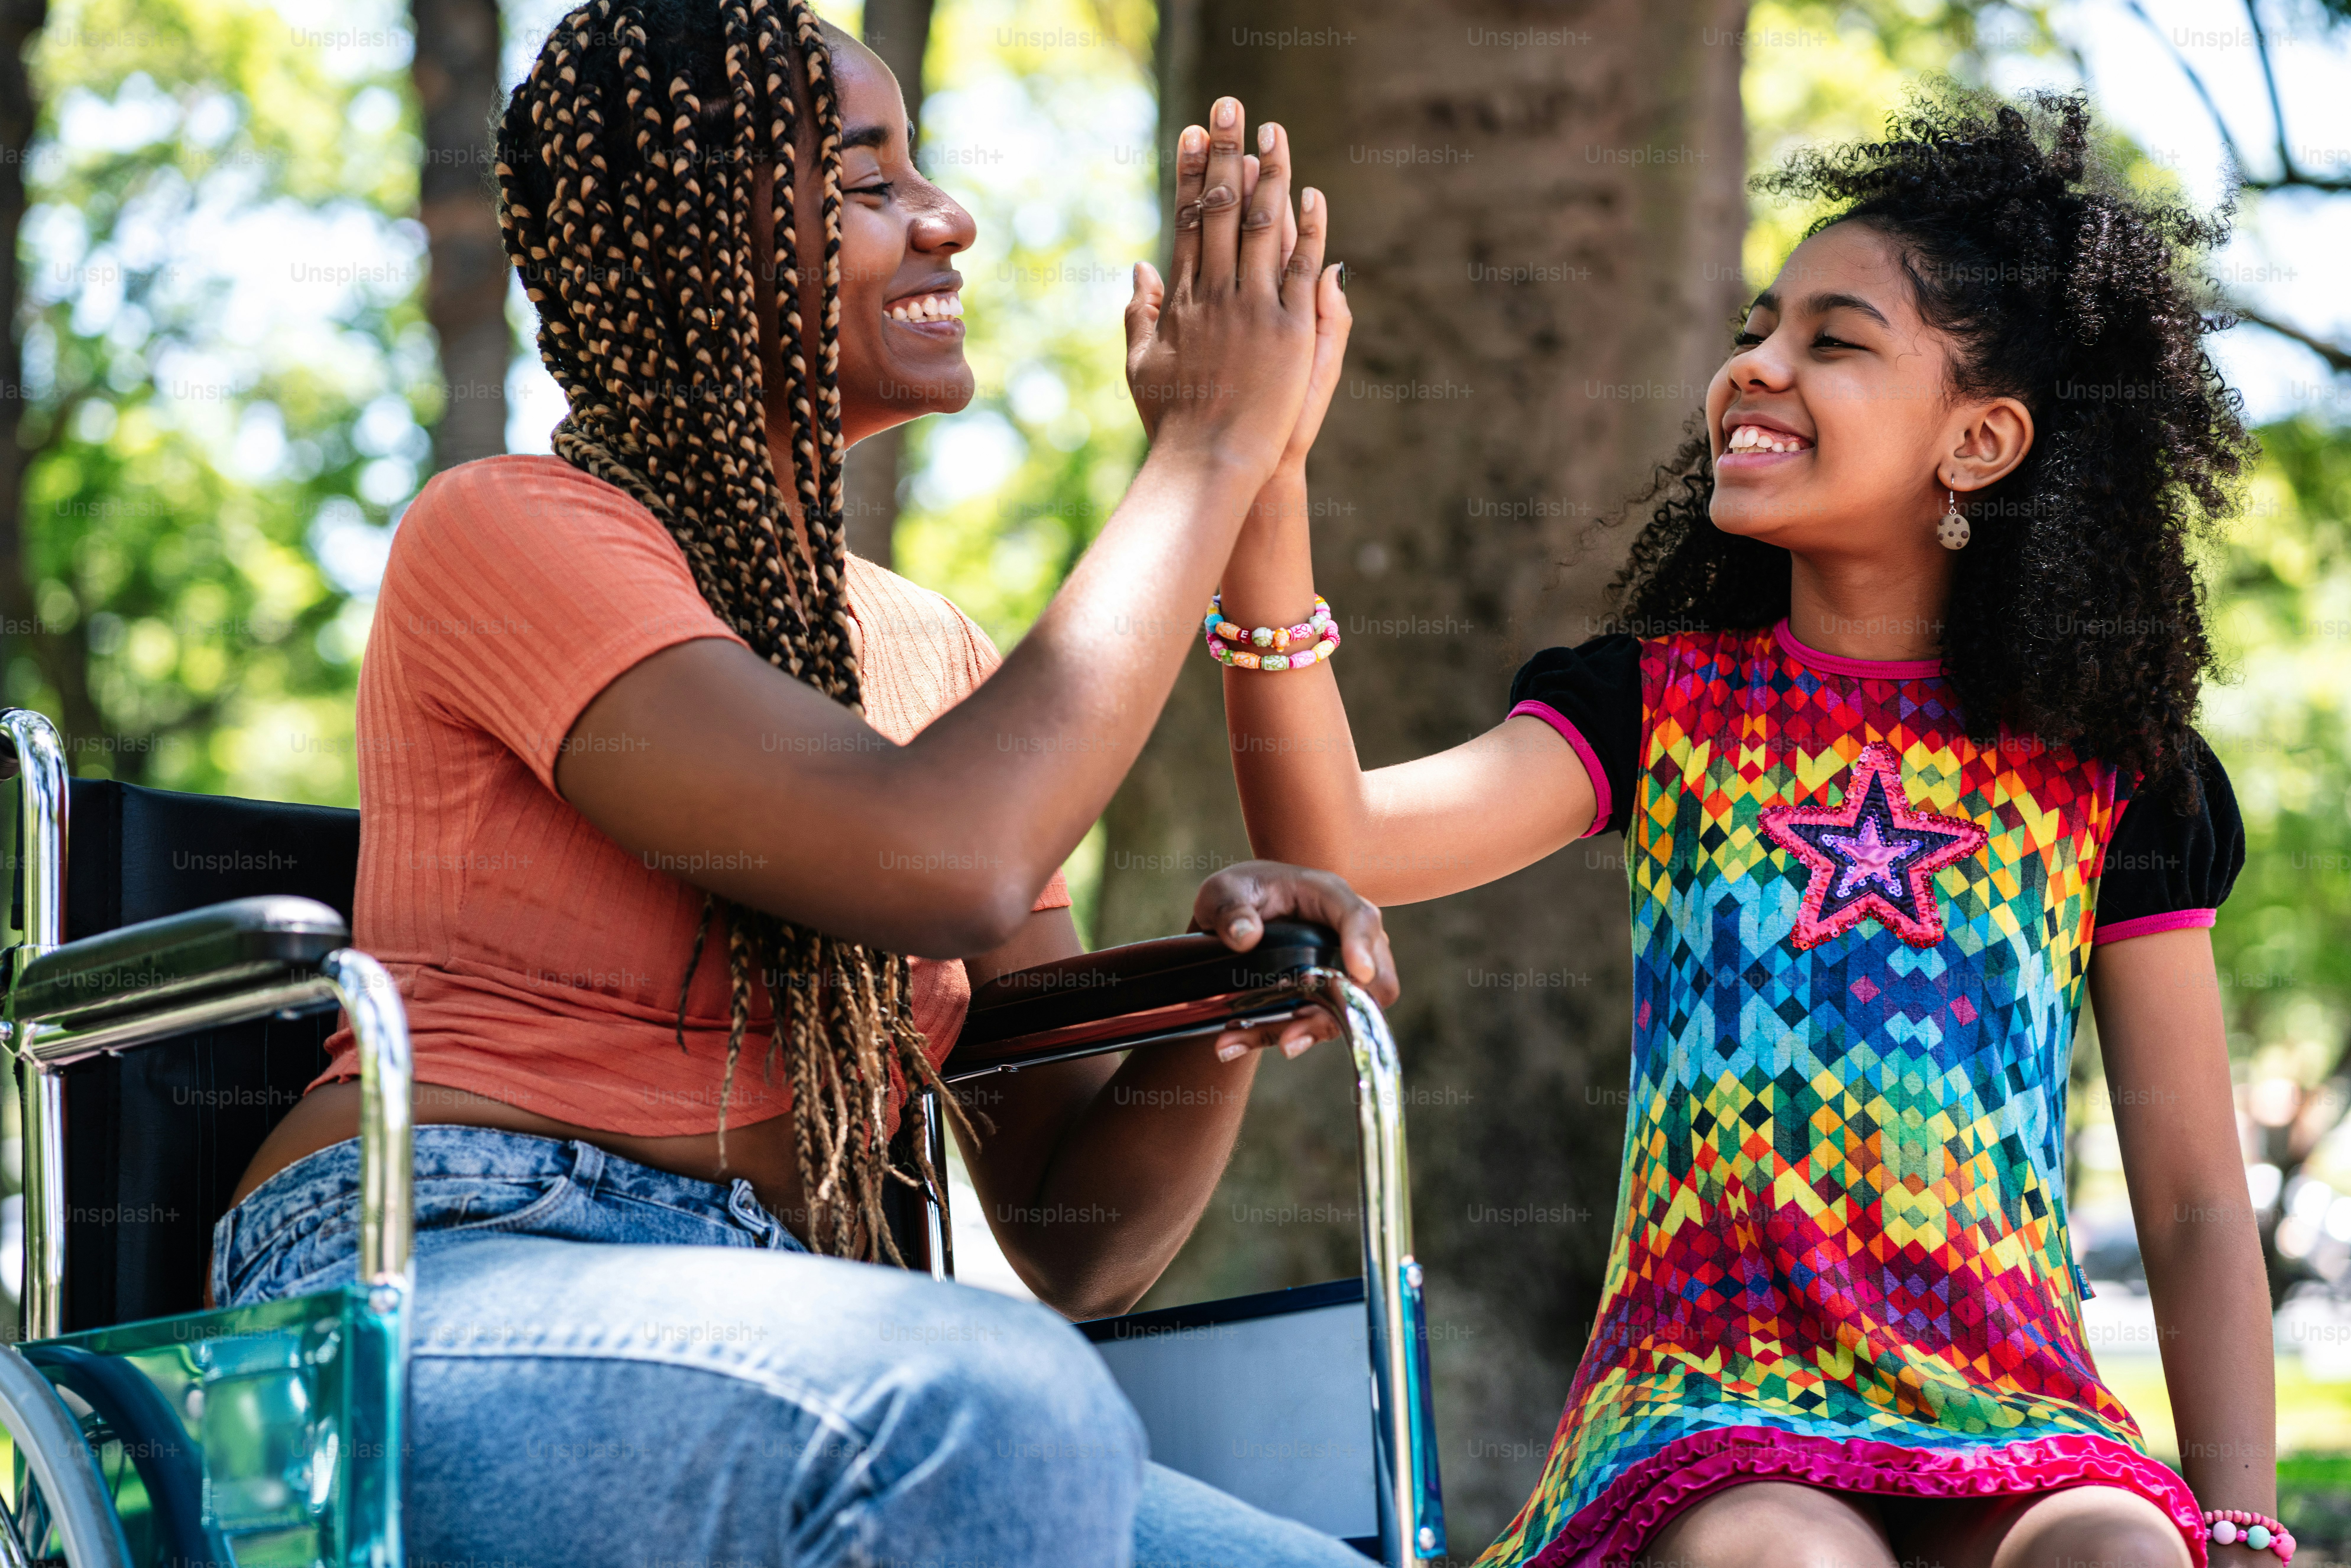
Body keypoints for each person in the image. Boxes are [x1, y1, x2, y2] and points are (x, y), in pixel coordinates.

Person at [211, 1, 1380, 1563]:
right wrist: (1206, 454)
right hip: (437, 1274)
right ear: (697, 240)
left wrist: (1232, 1006)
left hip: (819, 1327)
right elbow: (946, 854)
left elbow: (1073, 1234)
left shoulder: (934, 656)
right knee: (997, 1401)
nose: (950, 219)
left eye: (927, 171)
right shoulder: (508, 532)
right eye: (871, 179)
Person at [1199, 87, 2283, 1568]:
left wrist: (2238, 1521)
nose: (1754, 370)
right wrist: (1260, 473)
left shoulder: (2115, 775)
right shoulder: (1655, 705)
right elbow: (1340, 835)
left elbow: (2192, 1196)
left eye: (1831, 342)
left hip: (2011, 1403)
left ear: (1977, 441)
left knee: (2118, 1553)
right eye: (1756, 330)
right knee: (1784, 1557)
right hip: (1704, 1404)